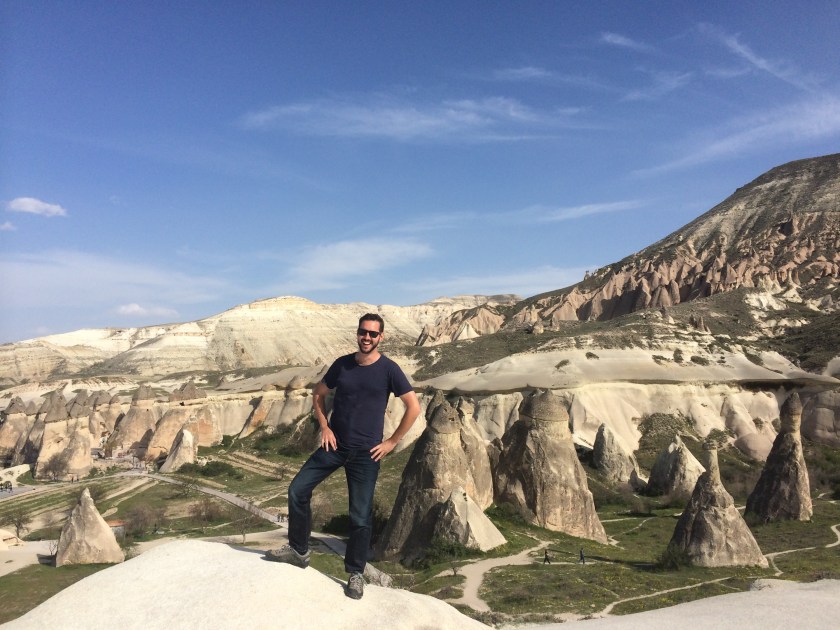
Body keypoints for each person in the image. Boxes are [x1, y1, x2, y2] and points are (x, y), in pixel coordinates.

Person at [265, 313, 421, 600]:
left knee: (360, 516)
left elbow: (414, 407)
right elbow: (318, 394)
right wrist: (324, 427)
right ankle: (299, 550)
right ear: (357, 333)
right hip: (335, 446)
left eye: (372, 334)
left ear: (381, 337)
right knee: (297, 489)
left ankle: (355, 573)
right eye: (363, 332)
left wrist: (391, 442)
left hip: (366, 454)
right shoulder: (342, 365)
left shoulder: (389, 370)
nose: (367, 337)